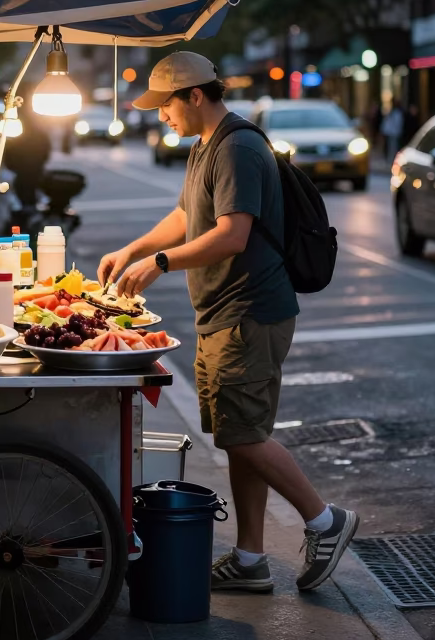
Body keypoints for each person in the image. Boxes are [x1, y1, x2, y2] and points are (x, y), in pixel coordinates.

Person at [99, 52, 358, 595]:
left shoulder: (237, 146)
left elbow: (232, 234)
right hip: (223, 311)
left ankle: (324, 520)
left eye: (165, 105)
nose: (160, 116)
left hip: (250, 312)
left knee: (244, 436)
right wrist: (134, 249)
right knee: (242, 437)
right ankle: (249, 557)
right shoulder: (205, 147)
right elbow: (186, 216)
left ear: (195, 95)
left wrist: (160, 264)